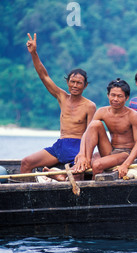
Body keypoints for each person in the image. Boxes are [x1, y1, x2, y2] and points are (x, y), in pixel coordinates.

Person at [21, 33, 96, 174]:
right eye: (72, 82)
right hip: (60, 145)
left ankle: (61, 177)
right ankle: (29, 194)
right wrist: (34, 53)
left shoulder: (89, 105)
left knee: (77, 172)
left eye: (79, 83)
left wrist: (85, 155)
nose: (75, 85)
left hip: (77, 147)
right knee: (26, 163)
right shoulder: (62, 97)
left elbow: (91, 133)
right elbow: (44, 76)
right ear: (67, 83)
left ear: (85, 86)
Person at [73, 79, 137, 179]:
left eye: (119, 96)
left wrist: (125, 165)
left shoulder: (132, 115)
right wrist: (81, 154)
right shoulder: (102, 111)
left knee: (97, 164)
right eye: (113, 95)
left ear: (126, 98)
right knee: (95, 124)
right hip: (110, 150)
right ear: (108, 95)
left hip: (125, 152)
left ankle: (93, 189)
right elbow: (87, 132)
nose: (115, 99)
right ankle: (87, 161)